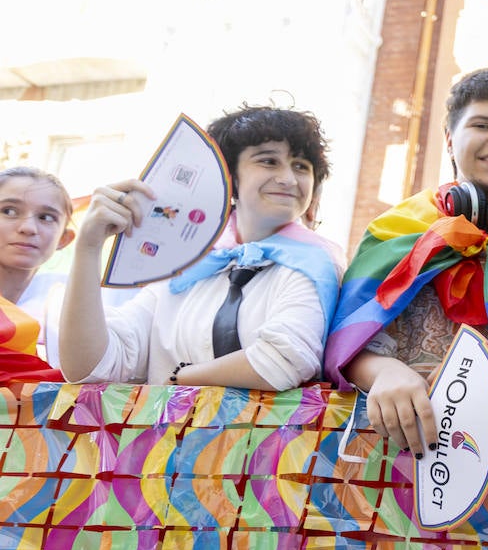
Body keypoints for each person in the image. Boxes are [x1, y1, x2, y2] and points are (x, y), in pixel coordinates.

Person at [325, 68, 488, 458]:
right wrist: (383, 372)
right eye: (482, 124)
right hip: (389, 457)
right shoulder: (397, 230)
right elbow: (342, 343)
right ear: (448, 139)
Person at [58, 106, 343, 390]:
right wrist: (89, 247)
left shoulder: (316, 264)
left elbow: (281, 363)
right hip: (165, 437)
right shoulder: (186, 264)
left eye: (301, 167)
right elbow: (89, 367)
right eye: (268, 161)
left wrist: (176, 377)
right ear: (228, 176)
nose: (288, 179)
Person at [0, 166, 75, 379]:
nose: (28, 228)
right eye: (9, 211)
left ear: (64, 239)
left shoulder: (62, 321)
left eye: (46, 217)